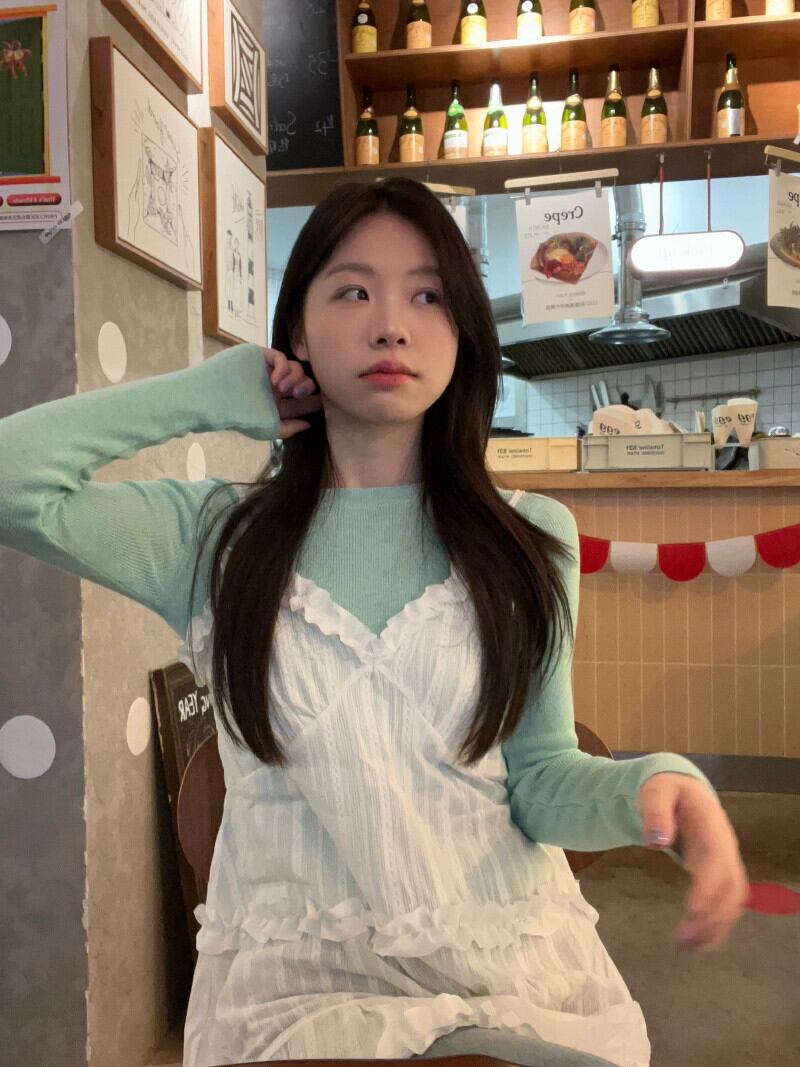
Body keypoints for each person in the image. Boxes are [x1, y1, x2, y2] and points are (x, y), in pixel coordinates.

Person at [0, 178, 748, 1067]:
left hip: (506, 969)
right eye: (353, 291)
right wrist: (208, 393)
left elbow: (540, 781)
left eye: (427, 296)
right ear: (297, 329)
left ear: (464, 333)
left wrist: (657, 787)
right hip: (294, 997)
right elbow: (15, 481)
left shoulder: (533, 536)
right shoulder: (211, 539)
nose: (391, 325)